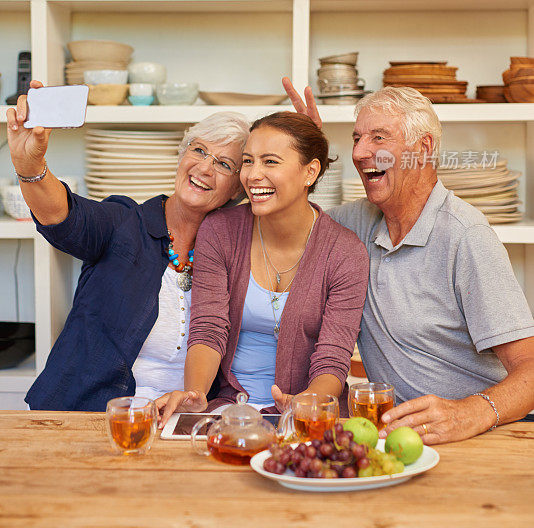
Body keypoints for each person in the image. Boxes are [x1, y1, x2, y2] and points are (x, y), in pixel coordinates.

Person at [283, 79, 534, 444]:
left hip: (481, 435)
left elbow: (530, 369)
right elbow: (281, 219)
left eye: (378, 138)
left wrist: (469, 412)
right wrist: (303, 151)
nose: (359, 152)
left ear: (423, 147)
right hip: (400, 438)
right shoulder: (351, 224)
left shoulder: (466, 235)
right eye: (356, 139)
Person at [7, 80, 250, 410]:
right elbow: (64, 216)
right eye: (198, 150)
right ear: (182, 156)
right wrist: (29, 166)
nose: (204, 168)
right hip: (92, 417)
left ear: (238, 189)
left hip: (180, 420)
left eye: (224, 164)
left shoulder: (235, 249)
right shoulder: (123, 224)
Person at [157, 112, 369, 426]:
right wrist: (195, 392)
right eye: (248, 161)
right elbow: (209, 328)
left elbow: (333, 358)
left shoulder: (346, 253)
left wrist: (308, 401)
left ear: (310, 172)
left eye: (270, 162)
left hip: (309, 414)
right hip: (231, 409)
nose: (253, 175)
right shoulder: (221, 231)